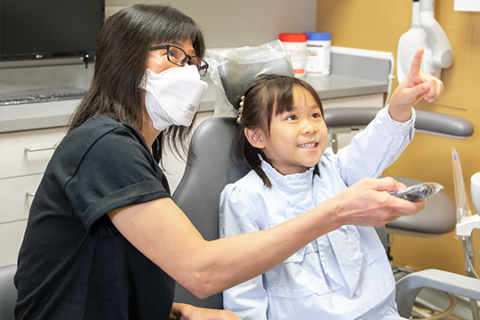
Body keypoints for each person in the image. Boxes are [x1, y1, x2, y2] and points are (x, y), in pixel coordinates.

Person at [14, 4, 428, 320]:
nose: (190, 73)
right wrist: (336, 212)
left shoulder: (138, 154)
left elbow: (113, 276)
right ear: (125, 60)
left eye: (196, 62)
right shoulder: (106, 147)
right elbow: (202, 272)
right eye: (174, 56)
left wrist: (180, 312)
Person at [220, 48, 443, 320]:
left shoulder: (335, 170)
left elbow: (375, 144)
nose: (311, 126)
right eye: (292, 117)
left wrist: (399, 106)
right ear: (256, 136)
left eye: (315, 115)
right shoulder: (244, 199)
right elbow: (243, 291)